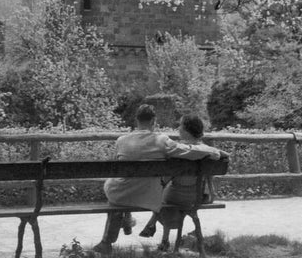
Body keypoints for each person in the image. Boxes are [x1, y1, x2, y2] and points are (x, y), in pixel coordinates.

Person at [92, 105, 222, 256]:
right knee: (131, 188)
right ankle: (125, 219)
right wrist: (213, 151)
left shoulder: (121, 140)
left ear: (136, 120)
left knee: (116, 190)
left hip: (119, 195)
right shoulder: (161, 141)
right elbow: (189, 151)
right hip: (147, 197)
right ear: (154, 120)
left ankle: (108, 240)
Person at [138, 114, 226, 249]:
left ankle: (162, 237)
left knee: (163, 193)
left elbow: (166, 179)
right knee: (167, 192)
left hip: (176, 197)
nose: (178, 128)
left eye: (180, 125)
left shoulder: (178, 151)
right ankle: (158, 232)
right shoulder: (207, 151)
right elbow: (221, 156)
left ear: (186, 129)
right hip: (198, 197)